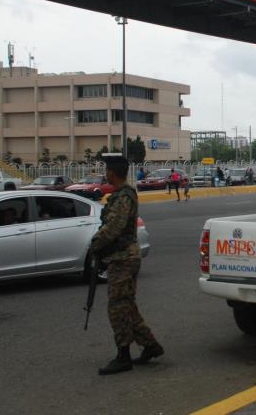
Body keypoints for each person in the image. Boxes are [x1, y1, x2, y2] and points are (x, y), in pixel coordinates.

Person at [91, 155, 163, 375]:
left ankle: (123, 356)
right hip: (122, 257)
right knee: (127, 305)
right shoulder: (122, 194)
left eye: (107, 170)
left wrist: (95, 244)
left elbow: (113, 228)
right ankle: (150, 345)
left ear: (113, 172)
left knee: (118, 307)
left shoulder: (123, 196)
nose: (105, 173)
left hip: (123, 258)